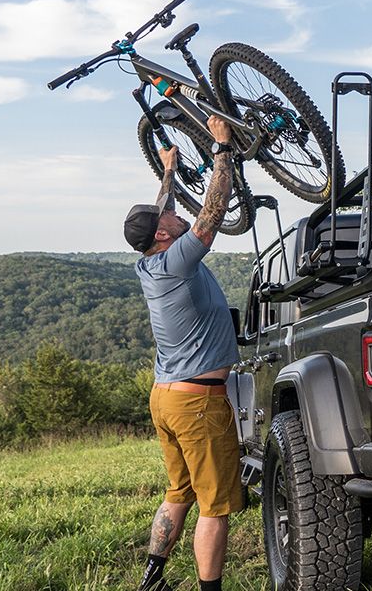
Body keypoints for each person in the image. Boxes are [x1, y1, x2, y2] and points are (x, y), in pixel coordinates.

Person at [123, 115, 243, 591]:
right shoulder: (177, 259)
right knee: (214, 505)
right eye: (168, 220)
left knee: (180, 491)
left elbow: (161, 214)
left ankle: (151, 578)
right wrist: (221, 149)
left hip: (166, 398)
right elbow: (212, 215)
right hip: (197, 402)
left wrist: (168, 173)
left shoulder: (148, 263)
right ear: (163, 236)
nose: (176, 215)